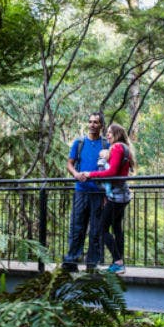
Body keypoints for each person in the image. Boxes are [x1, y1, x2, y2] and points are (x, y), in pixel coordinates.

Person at [81, 123, 135, 275]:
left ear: (117, 134)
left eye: (110, 133)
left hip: (117, 197)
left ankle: (118, 262)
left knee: (101, 229)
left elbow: (111, 172)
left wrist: (90, 174)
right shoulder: (125, 148)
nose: (108, 135)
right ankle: (119, 263)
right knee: (117, 228)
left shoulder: (118, 148)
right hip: (121, 195)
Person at [62, 111, 109, 272]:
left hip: (98, 193)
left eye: (95, 122)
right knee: (77, 227)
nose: (92, 125)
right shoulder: (79, 142)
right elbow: (69, 163)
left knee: (96, 229)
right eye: (90, 122)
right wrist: (76, 174)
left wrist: (107, 194)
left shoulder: (106, 144)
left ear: (101, 125)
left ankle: (92, 264)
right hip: (81, 191)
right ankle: (71, 260)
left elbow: (111, 168)